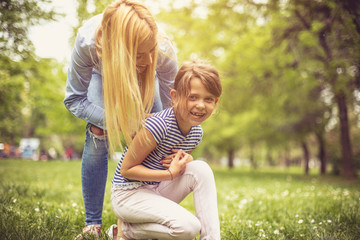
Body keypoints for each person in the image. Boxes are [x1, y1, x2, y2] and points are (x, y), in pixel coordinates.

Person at [63, 0, 177, 238]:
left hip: (147, 79)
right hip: (102, 72)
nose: (147, 59)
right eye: (139, 54)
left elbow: (172, 106)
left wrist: (158, 129)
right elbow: (74, 99)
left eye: (150, 50)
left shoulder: (162, 50)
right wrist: (122, 122)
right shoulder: (88, 43)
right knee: (98, 128)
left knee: (155, 132)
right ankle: (92, 224)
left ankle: (148, 214)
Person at [109, 60, 222, 240]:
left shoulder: (196, 132)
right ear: (175, 96)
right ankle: (126, 231)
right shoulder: (158, 125)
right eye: (193, 97)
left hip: (156, 189)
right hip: (128, 194)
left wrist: (186, 161)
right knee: (188, 228)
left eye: (208, 99)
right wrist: (170, 174)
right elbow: (126, 170)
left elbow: (179, 164)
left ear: (215, 102)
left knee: (202, 168)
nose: (201, 105)